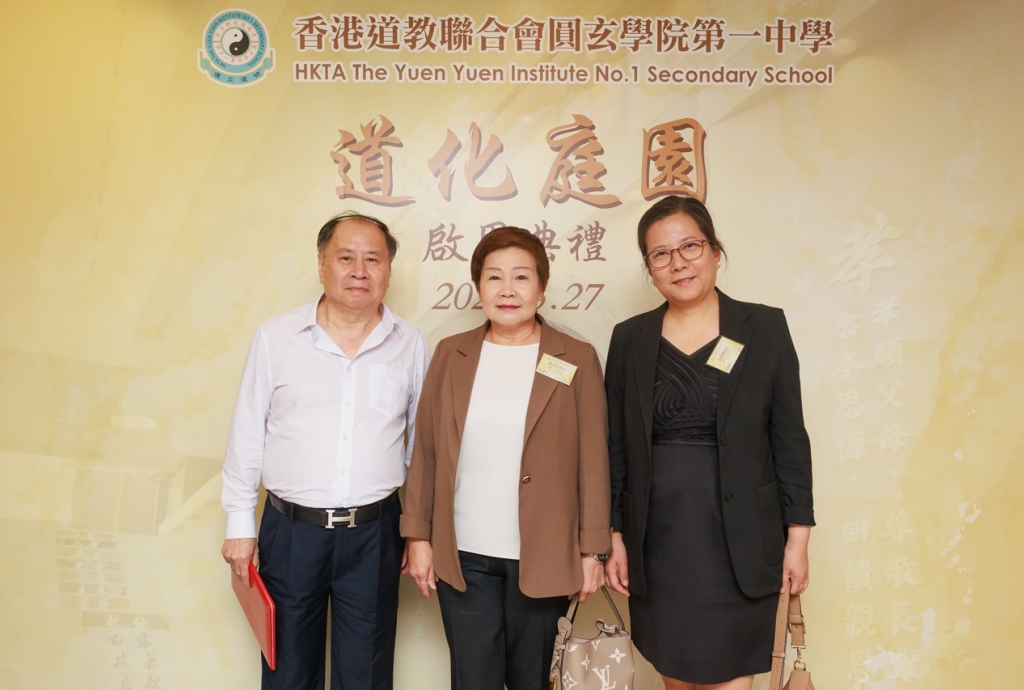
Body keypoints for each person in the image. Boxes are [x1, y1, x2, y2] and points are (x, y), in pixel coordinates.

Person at [603, 196, 814, 690]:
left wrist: (798, 539)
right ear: (649, 268)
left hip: (742, 543)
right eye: (661, 254)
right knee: (675, 678)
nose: (678, 263)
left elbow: (789, 436)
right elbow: (615, 446)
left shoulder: (764, 328)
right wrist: (613, 536)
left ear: (715, 251)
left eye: (690, 246)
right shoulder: (629, 339)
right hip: (658, 546)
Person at [220, 211, 429, 690]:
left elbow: (422, 446)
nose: (359, 271)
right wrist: (239, 524)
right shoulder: (276, 338)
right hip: (291, 532)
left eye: (372, 259)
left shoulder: (411, 344)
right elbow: (247, 431)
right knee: (288, 673)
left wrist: (418, 531)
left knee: (367, 675)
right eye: (346, 258)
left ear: (388, 270)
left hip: (376, 533)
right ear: (321, 265)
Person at [402, 227, 611, 690]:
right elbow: (427, 450)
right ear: (478, 288)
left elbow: (594, 460)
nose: (507, 290)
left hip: (545, 553)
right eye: (494, 277)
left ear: (541, 288)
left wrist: (592, 550)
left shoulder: (576, 358)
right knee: (472, 680)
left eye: (521, 277)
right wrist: (418, 536)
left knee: (533, 680)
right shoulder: (451, 354)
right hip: (464, 554)